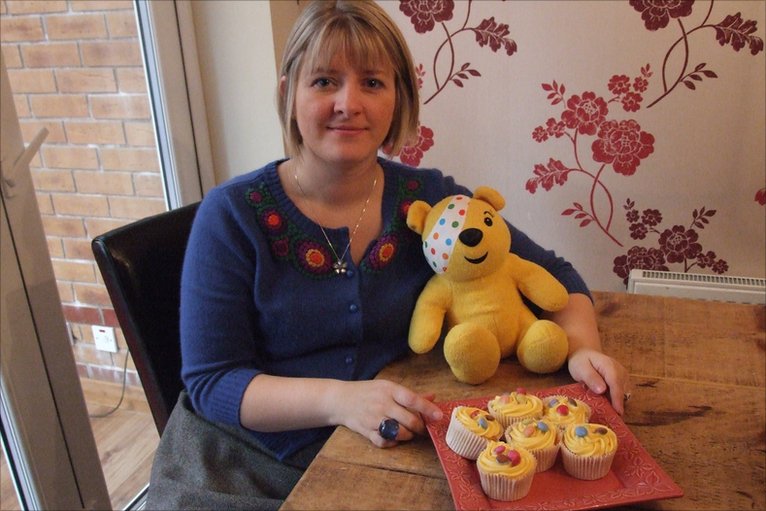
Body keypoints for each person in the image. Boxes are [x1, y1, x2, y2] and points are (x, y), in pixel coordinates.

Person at [146, 1, 630, 509]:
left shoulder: (431, 202)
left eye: (372, 83)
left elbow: (554, 273)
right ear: (289, 93)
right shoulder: (232, 215)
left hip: (380, 451)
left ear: (398, 99)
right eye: (324, 81)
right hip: (241, 463)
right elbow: (212, 381)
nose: (348, 103)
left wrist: (581, 349)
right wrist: (340, 400)